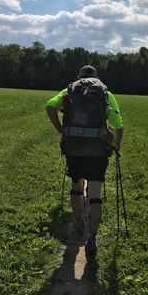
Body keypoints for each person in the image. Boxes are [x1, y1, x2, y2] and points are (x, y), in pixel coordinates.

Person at [46, 65, 123, 256]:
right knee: (95, 194)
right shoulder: (105, 93)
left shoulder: (70, 90)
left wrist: (62, 131)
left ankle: (79, 221)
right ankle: (92, 238)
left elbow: (50, 106)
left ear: (79, 77)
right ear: (96, 77)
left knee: (76, 187)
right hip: (97, 150)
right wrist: (116, 147)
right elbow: (119, 127)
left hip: (74, 148)